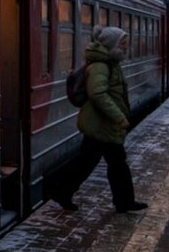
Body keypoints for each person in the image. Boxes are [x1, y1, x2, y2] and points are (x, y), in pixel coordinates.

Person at [47, 26, 147, 214]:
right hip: (101, 124)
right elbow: (98, 94)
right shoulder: (101, 66)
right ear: (112, 45)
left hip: (102, 124)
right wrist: (119, 117)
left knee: (92, 162)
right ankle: (123, 201)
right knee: (114, 163)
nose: (126, 47)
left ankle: (63, 191)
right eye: (123, 43)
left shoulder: (110, 63)